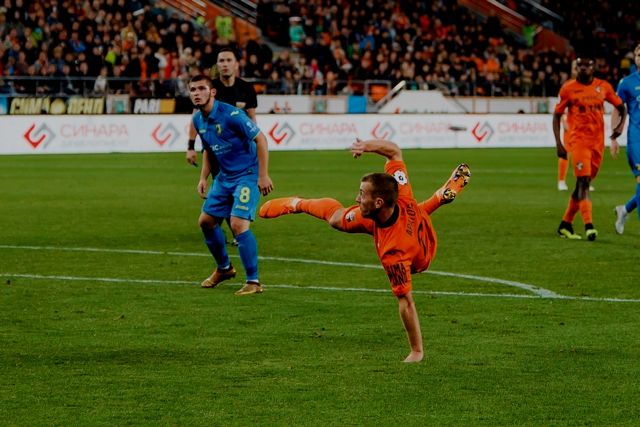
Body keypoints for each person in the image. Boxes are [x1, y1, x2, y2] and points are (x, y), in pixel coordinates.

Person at [259, 138, 471, 363]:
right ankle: (297, 203)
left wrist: (416, 351)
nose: (356, 198)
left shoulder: (394, 253)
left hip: (420, 254)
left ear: (378, 202)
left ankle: (438, 198)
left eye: (362, 194)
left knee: (412, 217)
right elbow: (394, 152)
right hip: (404, 217)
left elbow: (406, 302)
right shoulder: (400, 192)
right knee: (338, 219)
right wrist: (368, 146)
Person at [188, 74, 273, 295]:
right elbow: (208, 149)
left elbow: (261, 139)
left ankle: (253, 282)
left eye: (201, 88)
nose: (196, 93)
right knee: (206, 221)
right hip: (224, 177)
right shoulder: (197, 120)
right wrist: (203, 178)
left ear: (212, 92)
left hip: (247, 174)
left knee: (238, 224)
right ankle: (224, 269)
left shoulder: (232, 115)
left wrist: (263, 175)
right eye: (192, 90)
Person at [186, 47, 258, 246]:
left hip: (240, 152)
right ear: (217, 65)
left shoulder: (246, 88)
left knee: (236, 189)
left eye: (228, 60)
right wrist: (190, 146)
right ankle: (232, 228)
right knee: (223, 188)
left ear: (236, 64)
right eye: (221, 60)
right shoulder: (208, 88)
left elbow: (252, 118)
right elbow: (196, 118)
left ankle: (234, 227)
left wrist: (254, 143)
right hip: (217, 150)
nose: (224, 64)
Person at [553, 55, 626, 241]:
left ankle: (565, 224)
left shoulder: (603, 87)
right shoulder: (568, 88)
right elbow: (556, 115)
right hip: (579, 142)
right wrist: (559, 143)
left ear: (593, 68)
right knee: (584, 182)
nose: (583, 68)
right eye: (580, 65)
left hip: (597, 144)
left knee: (581, 184)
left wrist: (619, 128)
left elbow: (621, 107)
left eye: (587, 65)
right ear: (576, 68)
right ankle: (589, 226)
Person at [612, 44, 640, 234]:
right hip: (637, 139)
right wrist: (614, 136)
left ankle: (625, 210)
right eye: (638, 54)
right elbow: (617, 109)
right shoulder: (627, 83)